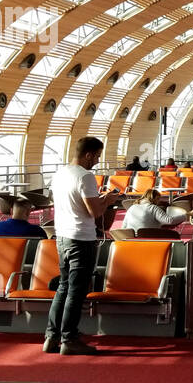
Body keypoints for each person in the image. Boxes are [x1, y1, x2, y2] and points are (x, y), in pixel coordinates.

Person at [45, 136, 121, 356]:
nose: (97, 161)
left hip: (62, 236)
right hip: (82, 238)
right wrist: (108, 200)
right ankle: (69, 338)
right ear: (88, 154)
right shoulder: (86, 176)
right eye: (96, 156)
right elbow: (94, 212)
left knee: (63, 287)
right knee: (76, 292)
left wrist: (101, 199)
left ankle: (52, 336)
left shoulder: (60, 174)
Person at [122, 189, 186, 232]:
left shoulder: (132, 207)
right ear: (152, 198)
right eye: (158, 199)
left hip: (132, 237)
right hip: (149, 236)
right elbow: (169, 221)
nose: (158, 201)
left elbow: (124, 225)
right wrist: (186, 215)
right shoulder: (153, 208)